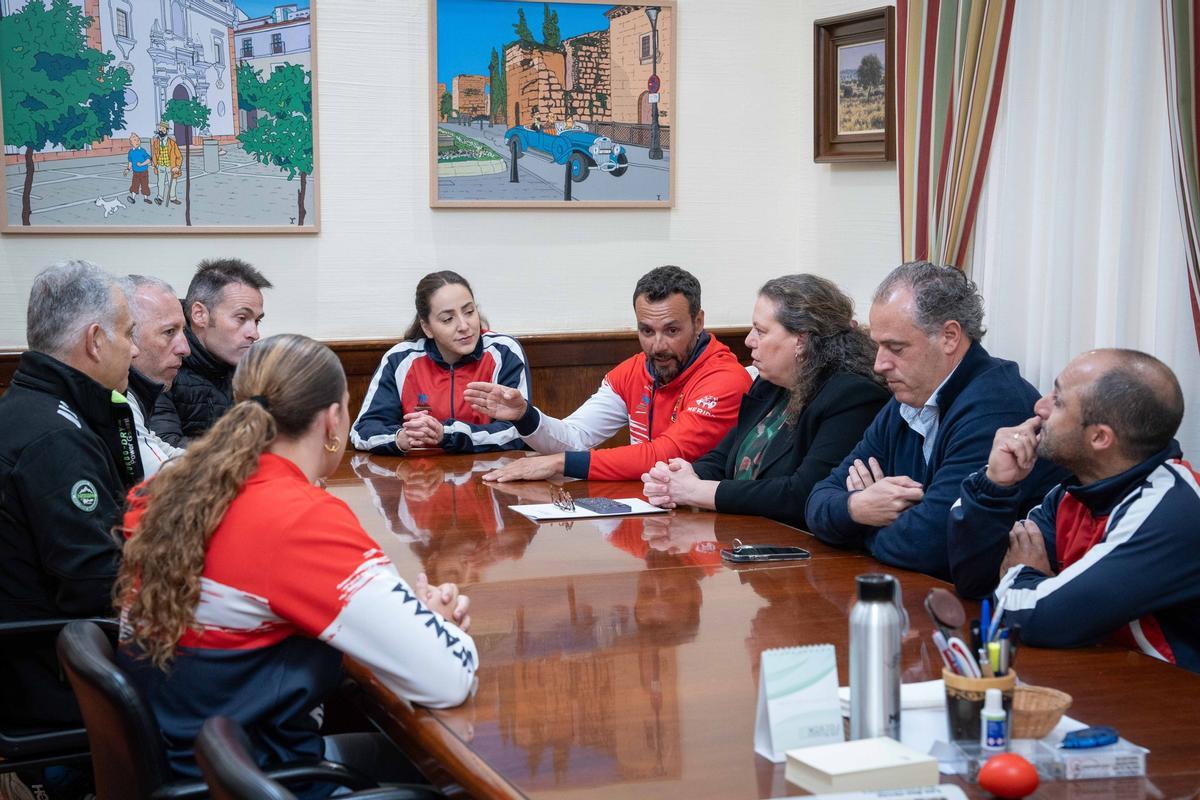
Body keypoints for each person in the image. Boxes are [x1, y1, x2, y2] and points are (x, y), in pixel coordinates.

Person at [114, 334, 478, 795]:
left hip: (198, 764)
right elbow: (447, 679)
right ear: (332, 420)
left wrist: (410, 620)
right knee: (452, 780)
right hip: (262, 778)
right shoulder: (298, 519)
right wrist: (438, 628)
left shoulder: (168, 492)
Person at [805, 262, 1065, 582]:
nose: (879, 364)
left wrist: (865, 524)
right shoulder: (908, 395)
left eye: (895, 348)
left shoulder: (995, 408)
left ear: (949, 337)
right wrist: (858, 508)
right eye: (877, 346)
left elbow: (932, 546)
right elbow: (818, 499)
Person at [954, 349, 1200, 670]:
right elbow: (977, 582)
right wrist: (995, 486)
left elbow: (1042, 618)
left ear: (1100, 437)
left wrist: (1021, 573)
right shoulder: (1075, 492)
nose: (1038, 406)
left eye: (1058, 401)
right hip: (1105, 680)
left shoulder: (1171, 511)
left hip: (1173, 703)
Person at [0, 261, 141, 727]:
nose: (135, 349)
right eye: (128, 333)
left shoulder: (26, 406)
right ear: (96, 340)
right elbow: (98, 586)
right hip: (47, 678)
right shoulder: (55, 440)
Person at [641, 274, 889, 529]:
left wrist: (697, 492)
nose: (749, 340)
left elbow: (801, 494)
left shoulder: (853, 397)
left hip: (806, 553)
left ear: (801, 340)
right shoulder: (770, 384)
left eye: (760, 331)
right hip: (748, 540)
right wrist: (680, 477)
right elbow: (723, 457)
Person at [464, 265, 753, 482]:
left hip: (707, 530)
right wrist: (524, 415)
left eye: (672, 330)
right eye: (646, 331)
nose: (658, 346)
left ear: (698, 321)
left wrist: (561, 463)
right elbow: (574, 437)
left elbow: (665, 455)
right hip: (652, 515)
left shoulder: (724, 378)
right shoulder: (634, 370)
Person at [351, 270, 531, 454]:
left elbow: (518, 430)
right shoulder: (399, 360)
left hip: (489, 476)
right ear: (427, 328)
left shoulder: (504, 351)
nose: (463, 326)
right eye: (448, 319)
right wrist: (401, 438)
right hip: (419, 477)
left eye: (469, 312)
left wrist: (446, 434)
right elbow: (362, 431)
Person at [170, 258, 272, 439]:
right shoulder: (162, 367)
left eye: (257, 321)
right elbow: (166, 454)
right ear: (199, 315)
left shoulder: (251, 370)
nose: (254, 334)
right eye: (241, 318)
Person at [125, 275, 190, 474]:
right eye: (169, 332)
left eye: (183, 332)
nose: (185, 348)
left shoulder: (136, 390)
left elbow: (167, 453)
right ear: (128, 335)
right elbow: (163, 477)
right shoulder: (117, 397)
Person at [151, 121, 182, 206]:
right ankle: (160, 198)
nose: (161, 130)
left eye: (163, 129)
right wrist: (155, 164)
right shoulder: (156, 142)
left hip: (171, 166)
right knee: (160, 182)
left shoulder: (172, 143)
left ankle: (173, 198)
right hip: (160, 166)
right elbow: (154, 154)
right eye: (160, 128)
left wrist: (177, 166)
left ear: (167, 131)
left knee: (172, 182)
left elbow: (179, 156)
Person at [124, 132, 152, 204]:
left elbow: (149, 159)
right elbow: (130, 161)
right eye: (135, 140)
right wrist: (128, 169)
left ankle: (146, 198)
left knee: (144, 184)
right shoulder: (130, 152)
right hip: (135, 172)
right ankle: (132, 198)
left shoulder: (142, 150)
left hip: (143, 172)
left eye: (138, 140)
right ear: (131, 143)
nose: (137, 142)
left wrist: (142, 164)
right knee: (135, 184)